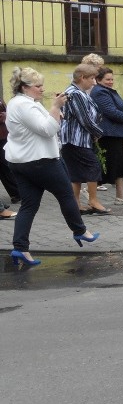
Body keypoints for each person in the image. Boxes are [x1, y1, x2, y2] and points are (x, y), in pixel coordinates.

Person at [5, 67, 99, 266]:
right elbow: (47, 130)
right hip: (40, 160)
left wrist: (54, 112)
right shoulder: (25, 105)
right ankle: (80, 231)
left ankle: (20, 248)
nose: (42, 89)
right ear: (24, 87)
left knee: (29, 205)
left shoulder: (20, 103)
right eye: (38, 86)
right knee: (66, 194)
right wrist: (56, 107)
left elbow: (42, 124)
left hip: (21, 161)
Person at [61, 64, 110, 215]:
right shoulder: (75, 93)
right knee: (93, 167)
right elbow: (85, 119)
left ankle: (75, 205)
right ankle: (93, 201)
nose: (95, 82)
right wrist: (98, 133)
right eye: (92, 78)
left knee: (75, 173)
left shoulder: (78, 92)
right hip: (76, 140)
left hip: (76, 139)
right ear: (82, 78)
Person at [90, 67, 123, 205]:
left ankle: (120, 197)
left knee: (120, 166)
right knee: (110, 166)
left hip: (117, 133)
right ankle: (88, 192)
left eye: (112, 79)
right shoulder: (99, 92)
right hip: (110, 134)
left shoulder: (107, 91)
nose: (110, 82)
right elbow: (110, 111)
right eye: (107, 79)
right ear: (98, 80)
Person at [0, 95, 21, 206]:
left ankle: (16, 193)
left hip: (2, 135)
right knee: (5, 166)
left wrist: (6, 115)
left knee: (5, 167)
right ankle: (16, 193)